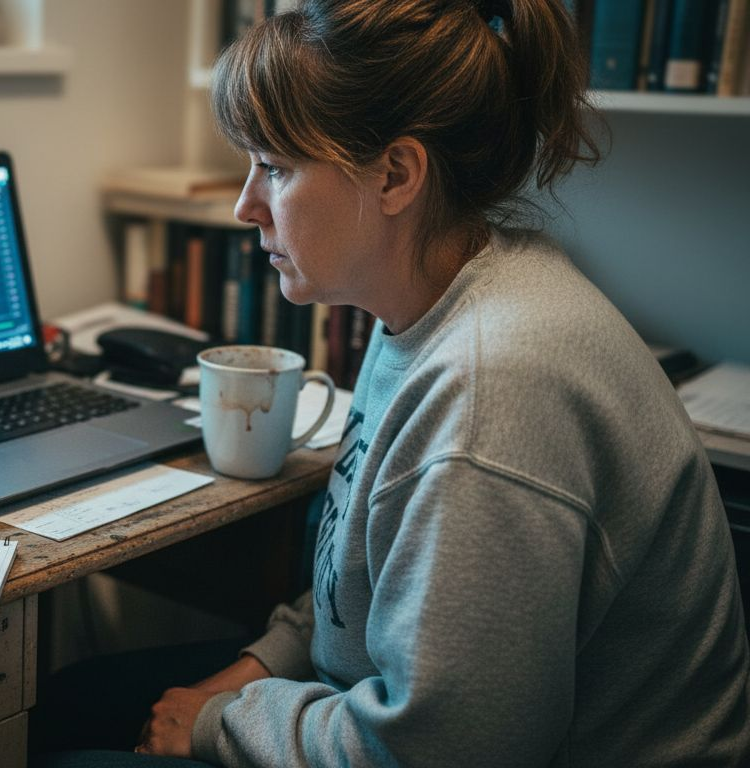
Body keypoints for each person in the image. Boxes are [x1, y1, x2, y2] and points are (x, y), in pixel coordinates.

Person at [37, 0, 750, 765]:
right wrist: (255, 671)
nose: (246, 206)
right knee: (71, 703)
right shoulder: (427, 300)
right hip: (373, 703)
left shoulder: (491, 389)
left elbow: (446, 748)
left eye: (274, 168)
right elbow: (362, 589)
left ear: (396, 175)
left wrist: (219, 723)